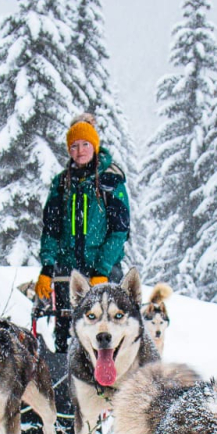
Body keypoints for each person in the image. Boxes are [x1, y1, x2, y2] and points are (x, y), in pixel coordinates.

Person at [35, 112, 131, 352]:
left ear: (95, 146)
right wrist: (47, 268)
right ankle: (64, 379)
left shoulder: (111, 180)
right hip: (67, 271)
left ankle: (106, 379)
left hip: (103, 270)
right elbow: (51, 229)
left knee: (104, 331)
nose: (79, 151)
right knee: (66, 330)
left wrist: (102, 269)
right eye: (74, 146)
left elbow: (119, 231)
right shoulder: (61, 184)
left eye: (85, 144)